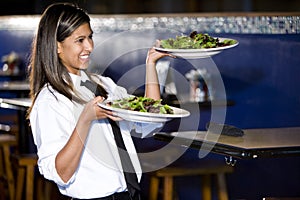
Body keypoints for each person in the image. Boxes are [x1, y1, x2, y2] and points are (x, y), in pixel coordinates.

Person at [27, 2, 172, 200]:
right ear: (57, 46)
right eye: (80, 40)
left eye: (90, 37)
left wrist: (151, 64)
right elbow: (61, 173)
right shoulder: (50, 100)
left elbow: (148, 120)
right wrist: (85, 120)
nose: (90, 46)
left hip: (129, 194)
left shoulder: (103, 84)